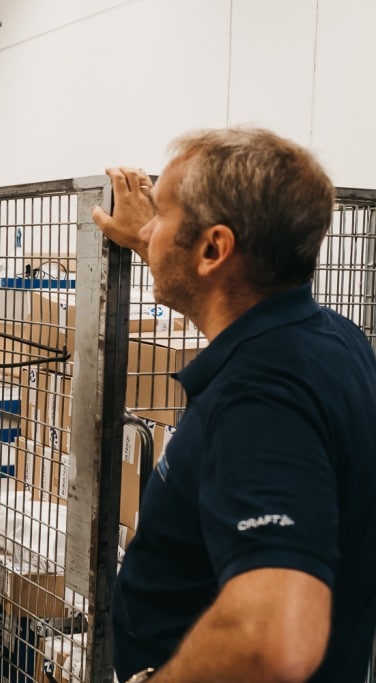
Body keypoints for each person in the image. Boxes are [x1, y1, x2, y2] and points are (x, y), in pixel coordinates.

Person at [91, 127, 376, 682]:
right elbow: (227, 303)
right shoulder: (334, 339)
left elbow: (273, 638)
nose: (148, 226)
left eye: (162, 214)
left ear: (213, 249)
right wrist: (148, 246)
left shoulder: (260, 397)